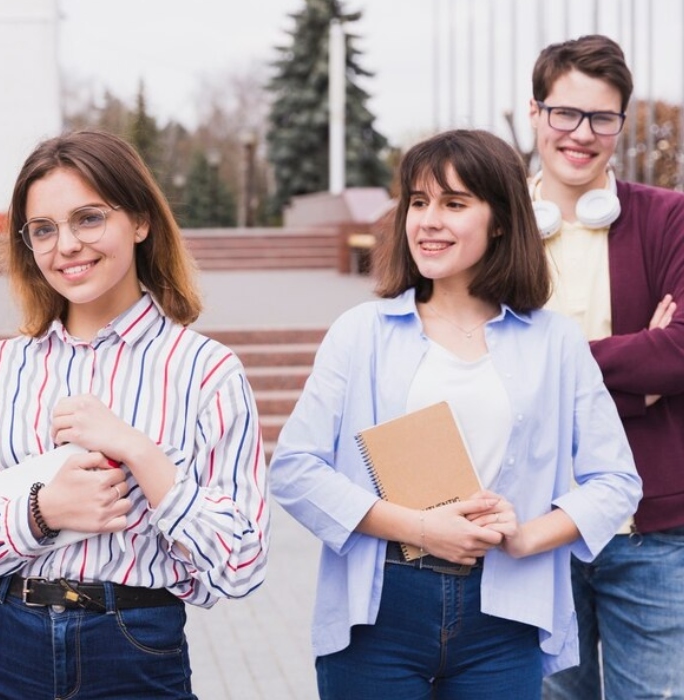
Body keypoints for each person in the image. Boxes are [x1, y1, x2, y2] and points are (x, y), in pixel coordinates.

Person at [270, 129, 641, 699]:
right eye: (418, 202)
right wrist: (423, 529)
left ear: (500, 220)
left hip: (505, 617)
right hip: (379, 612)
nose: (428, 220)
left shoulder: (555, 341)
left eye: (454, 203)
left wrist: (527, 535)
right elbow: (295, 469)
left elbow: (616, 480)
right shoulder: (361, 333)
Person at [0, 130, 270, 699]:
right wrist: (40, 511)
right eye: (44, 230)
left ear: (141, 221)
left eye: (89, 218)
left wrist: (142, 455)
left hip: (133, 646)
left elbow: (241, 563)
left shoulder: (206, 371)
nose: (67, 245)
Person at [529, 35, 684, 700]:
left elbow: (679, 351)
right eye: (566, 113)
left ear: (621, 123)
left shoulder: (668, 217)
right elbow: (481, 372)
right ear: (536, 114)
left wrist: (550, 366)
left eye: (602, 118)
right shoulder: (490, 224)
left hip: (651, 535)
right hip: (534, 530)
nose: (582, 134)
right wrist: (634, 379)